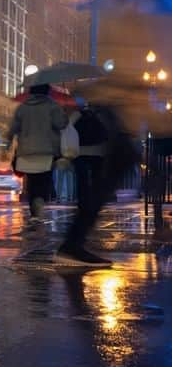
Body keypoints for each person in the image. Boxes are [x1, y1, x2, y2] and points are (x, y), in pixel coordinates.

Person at [57, 97, 138, 266]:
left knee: (92, 196)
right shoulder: (102, 111)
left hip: (83, 155)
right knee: (95, 197)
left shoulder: (78, 115)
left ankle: (72, 245)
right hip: (104, 152)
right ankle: (72, 247)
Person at [5, 83, 67, 225]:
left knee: (31, 182)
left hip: (26, 150)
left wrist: (8, 145)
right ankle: (40, 201)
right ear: (47, 92)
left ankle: (34, 213)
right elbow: (61, 124)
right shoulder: (52, 106)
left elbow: (13, 128)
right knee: (44, 180)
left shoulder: (22, 107)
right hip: (47, 150)